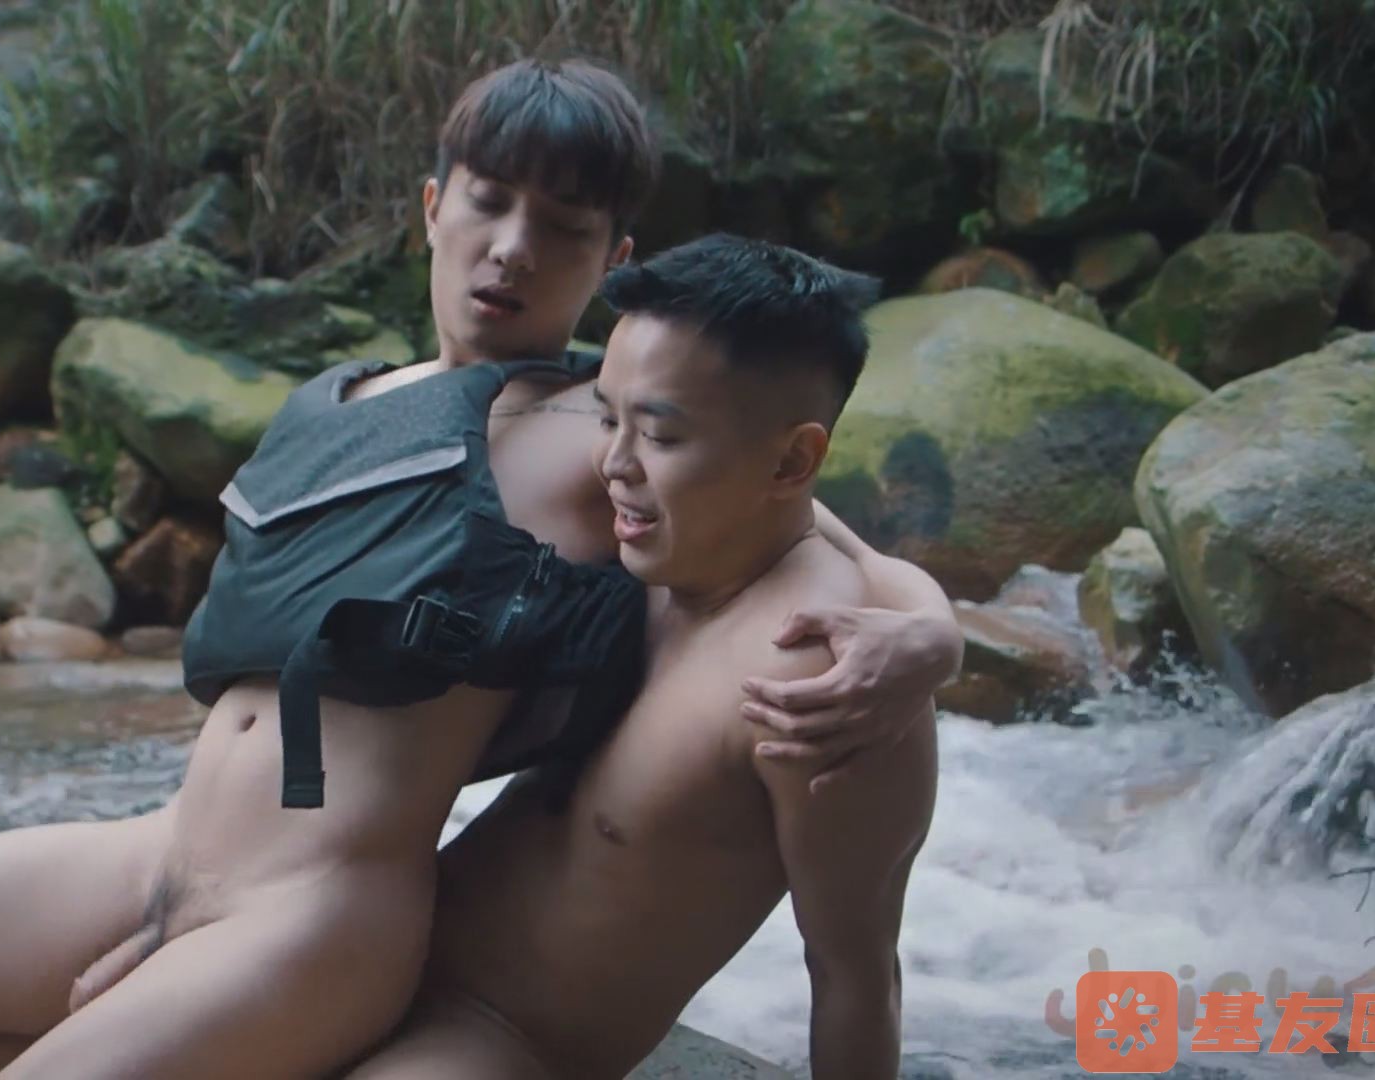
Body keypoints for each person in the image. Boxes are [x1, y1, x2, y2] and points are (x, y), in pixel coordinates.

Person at [0, 60, 956, 1079]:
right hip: (164, 848)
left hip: (316, 910)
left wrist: (929, 635)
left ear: (612, 258)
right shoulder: (344, 400)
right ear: (433, 208)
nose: (513, 248)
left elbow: (806, 529)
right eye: (488, 202)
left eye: (564, 227)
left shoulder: (601, 427)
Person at [342, 234, 942, 1080]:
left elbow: (856, 975)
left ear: (792, 460)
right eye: (606, 417)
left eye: (658, 435)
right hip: (369, 960)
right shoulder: (660, 548)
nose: (610, 464)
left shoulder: (827, 683)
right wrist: (939, 623)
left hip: (495, 1042)